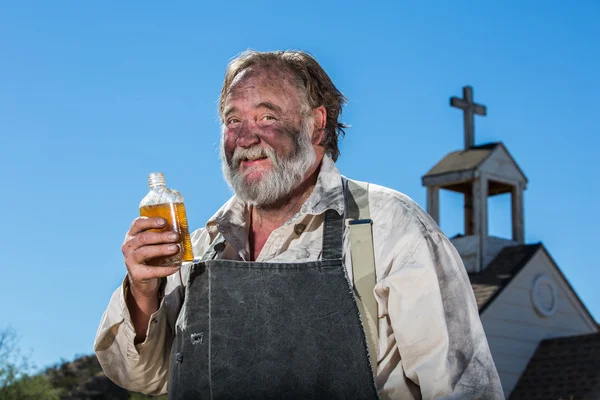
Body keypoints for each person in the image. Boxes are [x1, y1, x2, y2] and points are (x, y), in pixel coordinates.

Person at [95, 50, 504, 399]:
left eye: (266, 116)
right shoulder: (202, 247)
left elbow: (463, 388)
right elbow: (141, 376)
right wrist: (143, 292)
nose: (245, 137)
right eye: (232, 120)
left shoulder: (388, 226)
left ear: (316, 124)